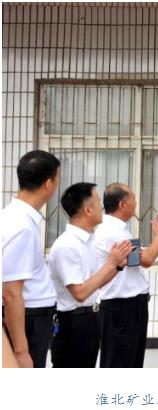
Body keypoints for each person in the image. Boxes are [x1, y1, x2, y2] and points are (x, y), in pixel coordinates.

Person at [47, 183, 132, 367]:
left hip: (91, 318)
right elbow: (80, 293)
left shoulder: (89, 240)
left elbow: (96, 282)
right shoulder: (66, 245)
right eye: (98, 202)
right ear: (87, 209)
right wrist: (110, 263)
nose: (102, 207)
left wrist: (117, 266)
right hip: (72, 322)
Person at [94, 183, 158, 368]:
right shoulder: (113, 232)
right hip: (121, 308)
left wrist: (156, 238)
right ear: (122, 205)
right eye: (133, 199)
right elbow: (146, 259)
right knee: (120, 363)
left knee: (131, 362)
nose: (136, 202)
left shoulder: (118, 229)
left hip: (128, 307)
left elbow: (139, 256)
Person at [1, 150, 60, 368]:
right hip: (28, 321)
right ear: (48, 184)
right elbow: (11, 293)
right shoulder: (22, 226)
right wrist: (21, 351)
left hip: (28, 318)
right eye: (57, 179)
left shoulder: (14, 216)